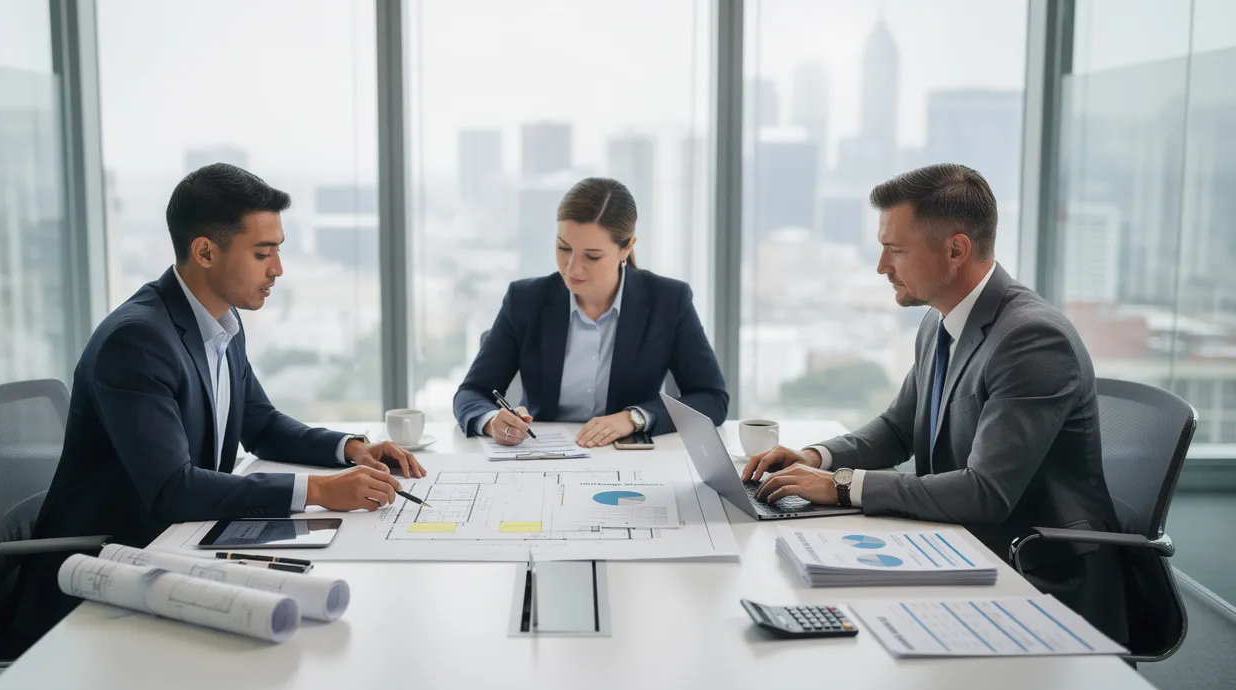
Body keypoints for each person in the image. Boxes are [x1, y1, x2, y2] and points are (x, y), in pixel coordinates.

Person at [11, 163, 425, 646]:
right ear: (205, 251)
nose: (277, 269)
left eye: (278, 251)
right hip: (105, 572)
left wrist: (352, 449)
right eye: (262, 253)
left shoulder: (221, 321)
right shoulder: (138, 341)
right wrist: (319, 490)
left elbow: (261, 423)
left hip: (176, 550)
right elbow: (173, 490)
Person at [742, 164, 1128, 643]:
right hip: (959, 546)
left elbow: (986, 493)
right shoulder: (940, 320)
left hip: (1036, 574)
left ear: (956, 249)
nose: (882, 267)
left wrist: (841, 485)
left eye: (896, 251)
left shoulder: (1032, 338)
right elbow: (898, 428)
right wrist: (817, 458)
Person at [454, 177, 728, 448]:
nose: (572, 268)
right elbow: (472, 392)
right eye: (563, 248)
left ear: (627, 248)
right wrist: (491, 421)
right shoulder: (525, 299)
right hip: (542, 454)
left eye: (592, 256)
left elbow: (711, 398)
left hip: (629, 458)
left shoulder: (668, 300)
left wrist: (634, 418)